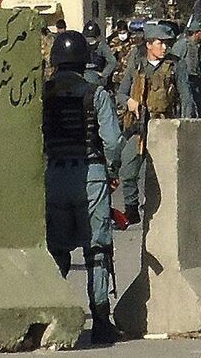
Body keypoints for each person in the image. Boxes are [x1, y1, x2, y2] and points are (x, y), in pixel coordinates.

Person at [42, 31, 124, 344]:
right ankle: (101, 322)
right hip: (90, 176)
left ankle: (52, 318)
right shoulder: (95, 93)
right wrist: (111, 170)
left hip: (55, 177)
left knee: (56, 252)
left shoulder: (44, 94)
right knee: (97, 251)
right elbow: (114, 141)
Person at [115, 23, 179, 226]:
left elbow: (186, 98)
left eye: (166, 43)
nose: (164, 48)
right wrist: (130, 103)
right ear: (149, 44)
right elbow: (121, 93)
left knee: (161, 173)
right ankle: (132, 210)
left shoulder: (175, 66)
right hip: (139, 127)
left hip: (164, 126)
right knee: (128, 171)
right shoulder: (137, 66)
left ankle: (163, 211)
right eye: (160, 43)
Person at [171, 20, 201, 118]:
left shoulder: (198, 46)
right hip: (184, 79)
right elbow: (174, 61)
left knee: (197, 103)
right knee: (187, 101)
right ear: (195, 33)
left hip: (194, 79)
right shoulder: (182, 44)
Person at [83, 21, 118, 89]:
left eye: (92, 38)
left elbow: (112, 61)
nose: (90, 41)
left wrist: (104, 74)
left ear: (97, 37)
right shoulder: (83, 46)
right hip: (84, 76)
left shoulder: (102, 47)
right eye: (88, 38)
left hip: (97, 78)